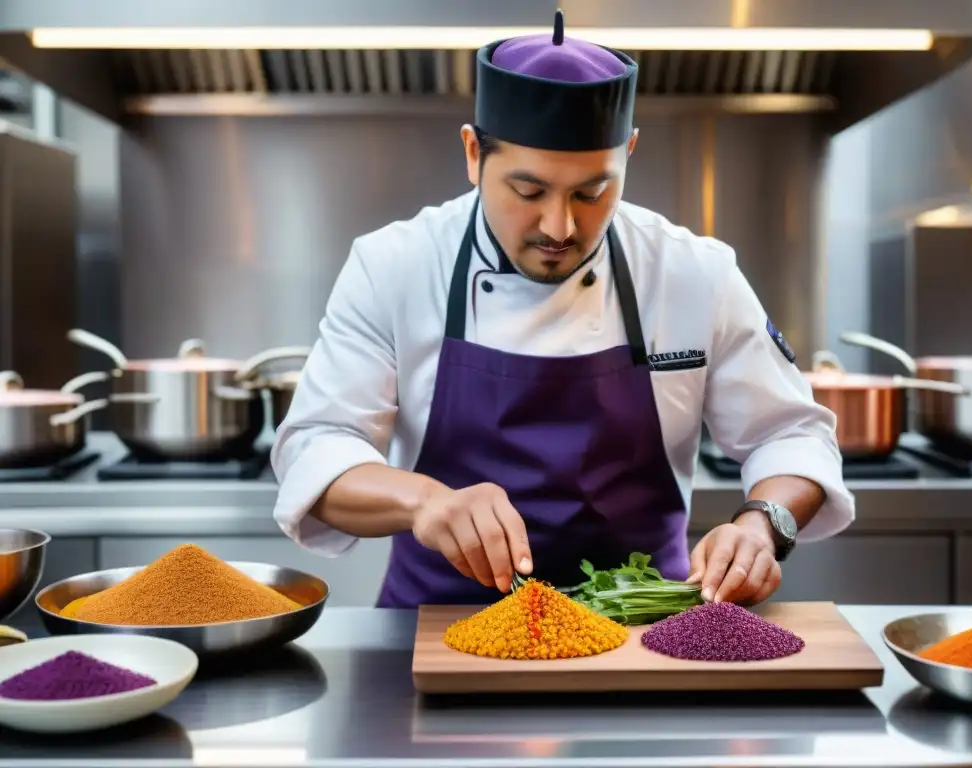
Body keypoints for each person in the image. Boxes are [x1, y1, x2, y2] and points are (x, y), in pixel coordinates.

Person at [271, 12, 855, 609]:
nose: (560, 226)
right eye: (528, 192)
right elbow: (318, 447)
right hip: (436, 627)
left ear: (628, 152)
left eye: (592, 192)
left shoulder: (693, 272)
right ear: (474, 154)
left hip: (642, 633)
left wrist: (763, 524)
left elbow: (792, 434)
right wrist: (425, 502)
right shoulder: (394, 265)